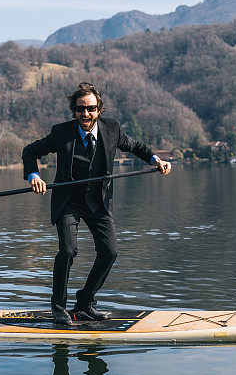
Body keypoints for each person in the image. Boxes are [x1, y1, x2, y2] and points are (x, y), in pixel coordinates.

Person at [22, 82, 172, 325]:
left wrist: (156, 160)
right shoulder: (61, 133)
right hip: (68, 202)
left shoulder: (112, 129)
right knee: (68, 251)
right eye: (81, 109)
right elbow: (30, 152)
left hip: (98, 202)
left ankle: (84, 303)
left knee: (109, 252)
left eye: (91, 109)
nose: (85, 114)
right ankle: (59, 307)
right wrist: (34, 176)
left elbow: (137, 147)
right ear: (74, 110)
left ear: (99, 110)